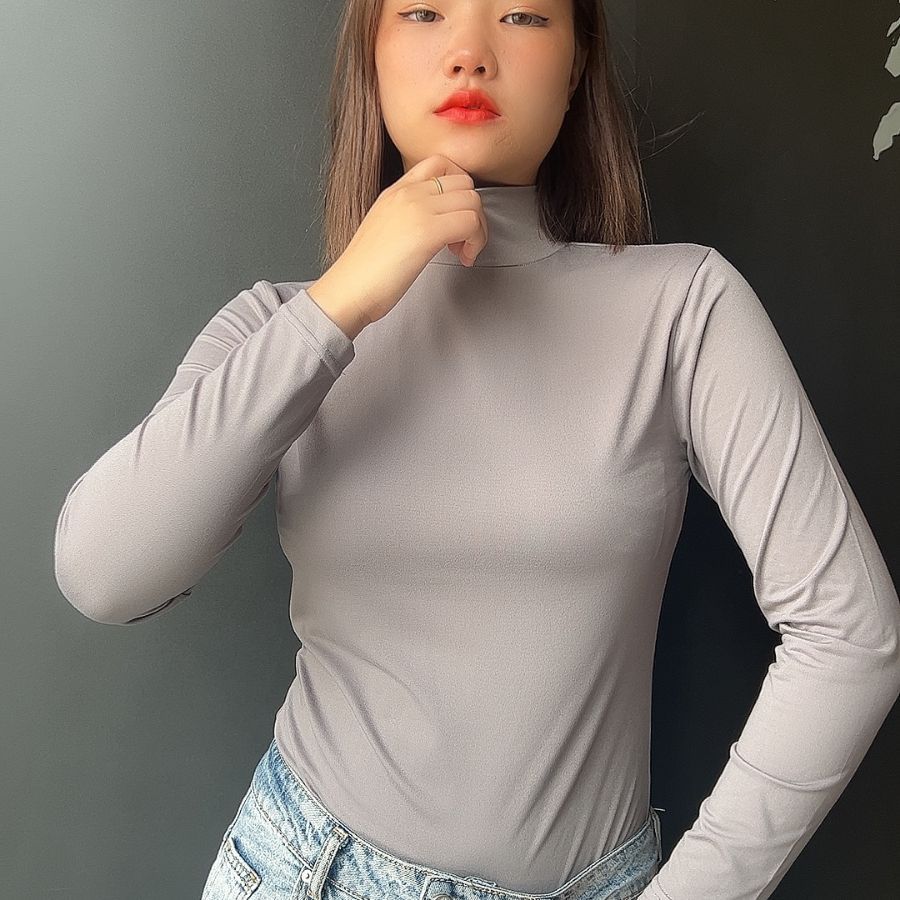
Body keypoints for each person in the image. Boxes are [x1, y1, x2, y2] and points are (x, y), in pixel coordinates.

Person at [53, 2, 900, 899]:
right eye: (423, 11)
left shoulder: (684, 306)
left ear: (576, 67)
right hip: (304, 871)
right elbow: (105, 575)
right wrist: (340, 304)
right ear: (370, 57)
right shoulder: (275, 327)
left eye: (522, 14)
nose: (468, 53)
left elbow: (852, 636)